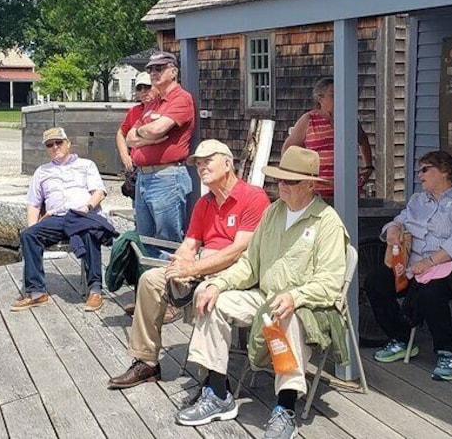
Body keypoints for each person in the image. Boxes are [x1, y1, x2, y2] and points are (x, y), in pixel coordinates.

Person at [177, 146, 347, 438]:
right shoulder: (273, 213)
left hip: (308, 304)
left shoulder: (327, 222)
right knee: (211, 299)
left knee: (286, 315)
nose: (282, 185)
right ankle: (218, 392)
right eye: (280, 179)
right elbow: (249, 265)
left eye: (290, 181)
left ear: (309, 184)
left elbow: (331, 282)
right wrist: (217, 283)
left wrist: (296, 296)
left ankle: (286, 408)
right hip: (263, 294)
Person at [107, 140, 270, 390]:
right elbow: (190, 244)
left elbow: (239, 251)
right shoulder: (204, 203)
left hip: (237, 271)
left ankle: (212, 379)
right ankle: (146, 361)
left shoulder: (253, 197)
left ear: (228, 163)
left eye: (207, 162)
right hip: (203, 265)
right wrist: (180, 263)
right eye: (198, 164)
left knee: (202, 288)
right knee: (151, 279)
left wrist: (193, 269)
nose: (201, 168)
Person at [364, 150, 452, 381]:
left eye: (424, 169)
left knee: (432, 290)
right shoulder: (418, 200)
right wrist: (392, 230)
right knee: (376, 281)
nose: (419, 174)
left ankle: (446, 351)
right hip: (417, 267)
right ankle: (401, 339)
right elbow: (399, 221)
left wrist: (429, 262)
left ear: (444, 171)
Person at [12, 127, 116, 313]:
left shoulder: (86, 165)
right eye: (50, 145)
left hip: (82, 214)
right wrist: (34, 227)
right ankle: (36, 293)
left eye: (58, 142)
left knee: (88, 231)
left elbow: (99, 192)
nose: (55, 147)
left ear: (68, 143)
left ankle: (95, 290)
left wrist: (87, 207)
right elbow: (34, 204)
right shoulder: (42, 172)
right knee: (29, 235)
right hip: (57, 217)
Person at [125, 51, 195, 254]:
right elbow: (129, 137)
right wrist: (146, 135)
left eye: (159, 68)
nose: (153, 73)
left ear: (173, 72)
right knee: (144, 239)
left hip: (167, 177)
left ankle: (167, 285)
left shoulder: (181, 99)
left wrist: (146, 134)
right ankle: (149, 283)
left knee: (168, 241)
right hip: (144, 177)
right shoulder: (153, 103)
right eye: (150, 69)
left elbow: (157, 129)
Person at [282, 77, 374, 198]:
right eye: (333, 95)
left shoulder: (348, 119)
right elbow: (288, 148)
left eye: (340, 94)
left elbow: (363, 140)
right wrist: (295, 178)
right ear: (320, 98)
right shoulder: (309, 119)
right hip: (318, 191)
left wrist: (368, 167)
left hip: (348, 191)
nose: (339, 99)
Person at [116, 71, 155, 173]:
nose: (143, 91)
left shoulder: (163, 108)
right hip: (136, 167)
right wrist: (124, 156)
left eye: (147, 87)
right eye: (139, 88)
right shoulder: (134, 111)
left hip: (157, 168)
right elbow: (120, 133)